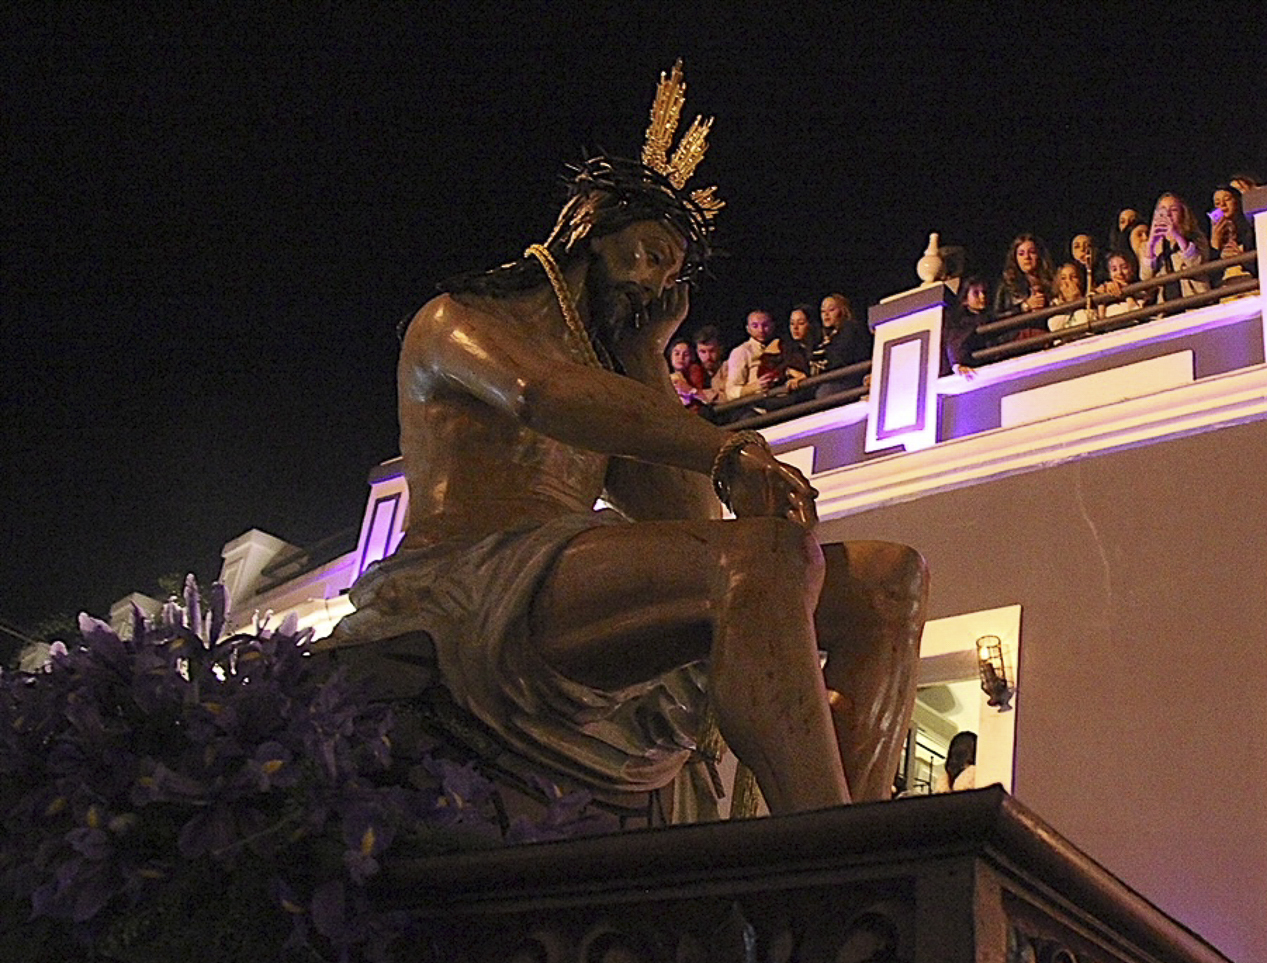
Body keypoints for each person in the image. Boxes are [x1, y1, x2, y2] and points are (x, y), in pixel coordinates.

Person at [327, 65, 928, 818]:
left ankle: (870, 844)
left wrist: (647, 355)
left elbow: (695, 531)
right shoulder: (460, 318)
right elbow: (539, 394)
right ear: (589, 226)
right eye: (646, 253)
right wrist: (724, 448)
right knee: (766, 554)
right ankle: (825, 852)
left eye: (668, 274)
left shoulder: (613, 378)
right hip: (469, 576)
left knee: (884, 579)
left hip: (561, 579)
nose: (649, 281)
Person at [1139, 192, 1209, 301]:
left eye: (1173, 210)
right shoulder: (1148, 245)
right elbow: (1145, 278)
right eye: (1162, 210)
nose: (1168, 214)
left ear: (1182, 213)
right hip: (1165, 307)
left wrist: (1177, 236)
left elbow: (1197, 265)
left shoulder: (1195, 237)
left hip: (1195, 301)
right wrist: (1151, 245)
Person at [992, 233, 1056, 336]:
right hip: (1021, 338)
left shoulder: (1052, 280)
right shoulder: (1007, 285)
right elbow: (997, 316)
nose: (1027, 257)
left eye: (1032, 252)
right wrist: (1025, 306)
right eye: (1021, 254)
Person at [721, 309, 788, 403]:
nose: (761, 330)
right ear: (748, 329)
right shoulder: (742, 352)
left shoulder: (784, 346)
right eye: (755, 326)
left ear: (773, 326)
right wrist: (756, 386)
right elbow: (731, 392)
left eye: (765, 325)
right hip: (757, 406)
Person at [816, 293, 872, 398]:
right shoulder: (823, 336)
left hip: (850, 379)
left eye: (831, 310)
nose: (826, 314)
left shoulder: (849, 328)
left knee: (824, 392)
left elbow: (840, 359)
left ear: (842, 311)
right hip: (833, 380)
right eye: (823, 311)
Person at [943, 274, 992, 370]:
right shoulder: (962, 321)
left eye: (984, 292)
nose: (982, 297)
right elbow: (956, 342)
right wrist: (958, 363)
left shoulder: (991, 316)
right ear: (965, 299)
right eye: (976, 293)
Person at [1208, 185, 1255, 280]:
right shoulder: (1216, 235)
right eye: (1217, 203)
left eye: (1227, 199)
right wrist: (1215, 244)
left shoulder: (1252, 231)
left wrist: (1242, 258)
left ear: (1237, 202)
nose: (1222, 205)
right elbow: (1211, 277)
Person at [666, 336, 712, 411]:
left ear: (692, 357)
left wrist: (689, 390)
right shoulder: (670, 376)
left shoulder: (695, 370)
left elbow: (703, 398)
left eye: (686, 354)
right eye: (677, 354)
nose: (681, 358)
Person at [1045, 261, 1090, 333]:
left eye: (1073, 277)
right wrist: (1068, 304)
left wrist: (1077, 300)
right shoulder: (1054, 303)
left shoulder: (1088, 299)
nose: (1068, 281)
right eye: (1063, 278)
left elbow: (1086, 322)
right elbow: (1054, 327)